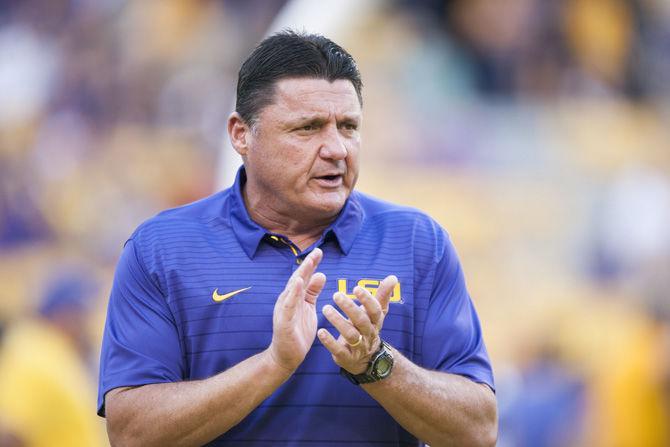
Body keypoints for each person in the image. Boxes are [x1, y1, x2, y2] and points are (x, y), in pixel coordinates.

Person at [98, 30, 497, 447]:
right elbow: (132, 434)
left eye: (348, 127)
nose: (337, 149)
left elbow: (478, 430)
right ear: (241, 134)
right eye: (308, 128)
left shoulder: (418, 243)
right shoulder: (161, 249)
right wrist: (273, 364)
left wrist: (376, 364)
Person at [0, 270, 107, 447]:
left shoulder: (52, 350)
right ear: (66, 314)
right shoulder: (34, 354)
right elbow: (12, 433)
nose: (88, 321)